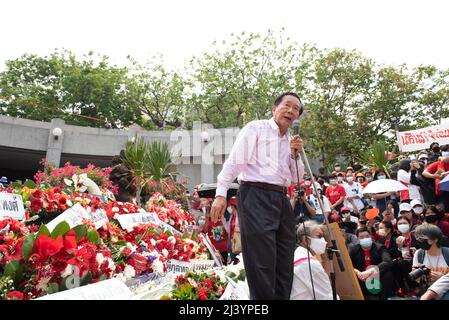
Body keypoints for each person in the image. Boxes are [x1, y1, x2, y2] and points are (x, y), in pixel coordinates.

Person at [211, 92, 304, 300]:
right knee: (261, 262)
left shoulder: (292, 141)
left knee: (284, 260)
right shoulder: (256, 128)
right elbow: (234, 162)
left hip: (282, 199)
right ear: (274, 109)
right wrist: (221, 193)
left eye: (296, 109)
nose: (291, 111)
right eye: (287, 105)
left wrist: (295, 154)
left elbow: (298, 177)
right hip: (255, 194)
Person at [291, 221, 333, 300]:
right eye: (319, 236)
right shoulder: (308, 263)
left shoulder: (296, 256)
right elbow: (327, 297)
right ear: (306, 240)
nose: (324, 241)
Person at [349, 228, 395, 299]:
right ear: (358, 239)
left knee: (388, 274)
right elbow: (348, 264)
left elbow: (388, 261)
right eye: (362, 237)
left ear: (371, 236)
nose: (365, 238)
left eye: (367, 236)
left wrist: (371, 271)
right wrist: (358, 273)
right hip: (361, 279)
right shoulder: (353, 249)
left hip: (376, 278)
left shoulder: (380, 247)